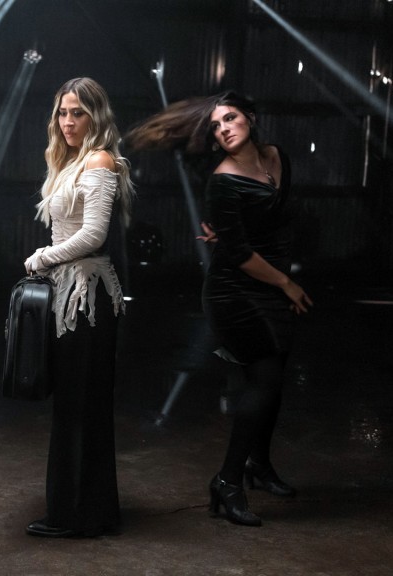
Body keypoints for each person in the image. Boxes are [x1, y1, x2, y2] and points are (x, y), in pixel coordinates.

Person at [125, 91, 312, 526]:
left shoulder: (277, 158)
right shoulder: (223, 180)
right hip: (235, 293)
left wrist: (232, 234)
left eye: (230, 118)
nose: (223, 128)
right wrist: (284, 281)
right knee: (263, 381)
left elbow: (277, 216)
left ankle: (258, 466)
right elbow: (240, 254)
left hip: (271, 282)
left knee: (274, 382)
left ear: (251, 117)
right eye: (214, 126)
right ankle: (227, 481)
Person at [22, 77, 135, 538]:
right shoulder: (68, 160)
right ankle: (90, 510)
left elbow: (93, 235)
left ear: (96, 116)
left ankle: (74, 515)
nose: (68, 122)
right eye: (63, 113)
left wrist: (41, 258)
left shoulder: (99, 160)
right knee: (73, 404)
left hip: (87, 297)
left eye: (78, 113)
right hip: (69, 294)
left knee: (82, 405)